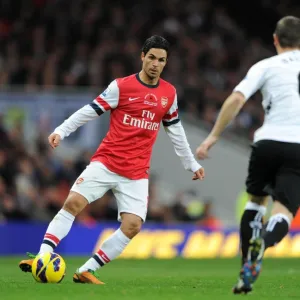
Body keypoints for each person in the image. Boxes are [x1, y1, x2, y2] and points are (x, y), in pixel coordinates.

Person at [19, 35, 205, 284]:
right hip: (106, 162)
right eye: (151, 58)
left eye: (161, 60)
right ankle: (42, 256)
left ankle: (87, 270)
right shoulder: (121, 86)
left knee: (132, 226)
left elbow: (176, 131)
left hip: (137, 172)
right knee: (73, 203)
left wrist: (191, 163)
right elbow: (90, 110)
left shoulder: (169, 94)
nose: (155, 64)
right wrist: (61, 130)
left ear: (166, 62)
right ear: (142, 56)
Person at [196, 16, 300, 294]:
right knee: (284, 211)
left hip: (267, 142)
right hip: (299, 147)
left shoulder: (265, 66)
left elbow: (236, 99)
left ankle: (246, 269)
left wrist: (213, 137)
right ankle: (263, 242)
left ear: (276, 40)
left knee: (256, 201)